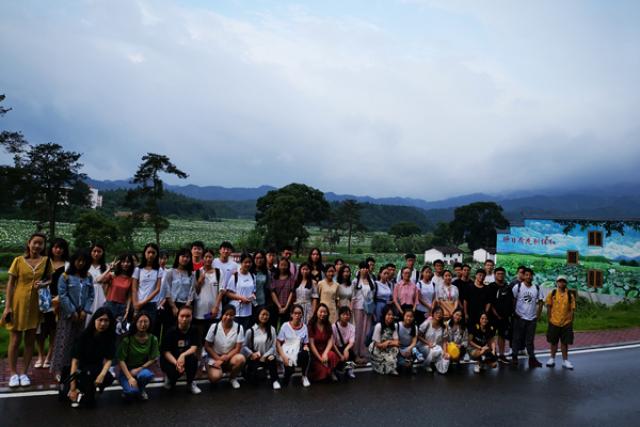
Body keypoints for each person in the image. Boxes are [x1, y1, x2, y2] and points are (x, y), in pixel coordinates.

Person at [2, 233, 51, 388]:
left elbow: (50, 279)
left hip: (36, 306)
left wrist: (44, 284)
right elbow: (11, 284)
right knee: (15, 340)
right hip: (18, 304)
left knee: (30, 340)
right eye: (35, 242)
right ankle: (13, 373)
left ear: (44, 246)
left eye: (41, 243)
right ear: (29, 243)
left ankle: (24, 373)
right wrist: (8, 307)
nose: (37, 246)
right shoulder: (18, 260)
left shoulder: (46, 261)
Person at [51, 250, 95, 379]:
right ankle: (59, 370)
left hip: (82, 315)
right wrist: (72, 311)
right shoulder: (65, 276)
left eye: (83, 261)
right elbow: (63, 296)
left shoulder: (88, 277)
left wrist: (85, 310)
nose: (80, 263)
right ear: (73, 261)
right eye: (78, 260)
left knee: (78, 342)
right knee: (63, 342)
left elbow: (91, 295)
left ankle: (74, 368)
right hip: (67, 315)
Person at [65, 307, 116, 408]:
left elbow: (109, 358)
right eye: (100, 320)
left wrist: (102, 375)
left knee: (109, 377)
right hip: (81, 370)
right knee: (89, 404)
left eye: (106, 320)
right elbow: (75, 361)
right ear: (94, 320)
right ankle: (81, 389)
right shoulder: (84, 336)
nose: (103, 324)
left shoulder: (110, 336)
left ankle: (92, 388)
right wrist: (72, 387)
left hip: (96, 368)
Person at [36, 237, 69, 370]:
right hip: (42, 300)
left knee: (54, 329)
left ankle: (49, 356)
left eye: (61, 247)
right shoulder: (44, 262)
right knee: (40, 329)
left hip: (58, 301)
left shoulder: (68, 265)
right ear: (51, 248)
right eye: (55, 247)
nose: (58, 250)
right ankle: (40, 356)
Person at [117, 311, 159, 400]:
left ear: (150, 323)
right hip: (126, 370)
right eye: (140, 321)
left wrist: (139, 369)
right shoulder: (127, 339)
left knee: (147, 375)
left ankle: (141, 389)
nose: (143, 324)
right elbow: (121, 360)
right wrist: (130, 377)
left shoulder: (153, 339)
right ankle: (130, 389)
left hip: (141, 369)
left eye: (146, 321)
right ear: (135, 323)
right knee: (131, 393)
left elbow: (153, 358)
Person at [160, 306, 201, 394]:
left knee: (193, 360)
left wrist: (183, 355)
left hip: (185, 358)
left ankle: (190, 383)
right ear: (178, 317)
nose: (184, 319)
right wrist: (177, 363)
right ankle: (170, 379)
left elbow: (194, 348)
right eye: (182, 316)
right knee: (173, 375)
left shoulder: (194, 330)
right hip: (171, 359)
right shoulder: (170, 331)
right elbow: (166, 352)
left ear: (192, 317)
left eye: (188, 316)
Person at [204, 304, 246, 389]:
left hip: (230, 357)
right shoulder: (214, 327)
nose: (228, 317)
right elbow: (207, 346)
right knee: (215, 378)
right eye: (226, 314)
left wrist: (224, 359)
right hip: (215, 357)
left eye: (231, 315)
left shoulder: (239, 328)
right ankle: (209, 367)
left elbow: (237, 348)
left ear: (234, 316)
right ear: (222, 315)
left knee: (241, 359)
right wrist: (218, 358)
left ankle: (232, 378)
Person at [159, 249, 196, 337]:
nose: (185, 259)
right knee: (169, 329)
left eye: (187, 257)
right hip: (171, 305)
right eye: (183, 256)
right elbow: (166, 289)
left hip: (185, 304)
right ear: (178, 257)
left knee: (184, 329)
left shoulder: (191, 274)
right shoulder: (170, 272)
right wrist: (173, 306)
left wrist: (187, 306)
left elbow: (192, 291)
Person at [511, 268, 544, 368]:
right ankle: (514, 357)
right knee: (516, 339)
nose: (528, 277)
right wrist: (514, 313)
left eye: (530, 275)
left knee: (530, 341)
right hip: (519, 318)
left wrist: (538, 315)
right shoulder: (518, 287)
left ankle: (532, 359)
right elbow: (512, 300)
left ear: (532, 276)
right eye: (526, 275)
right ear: (523, 276)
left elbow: (541, 302)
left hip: (532, 319)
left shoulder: (537, 288)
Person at [242, 307, 280, 389]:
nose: (265, 317)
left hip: (266, 356)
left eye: (267, 315)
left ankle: (275, 380)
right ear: (258, 315)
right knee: (257, 380)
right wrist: (251, 354)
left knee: (272, 358)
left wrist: (265, 356)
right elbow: (244, 346)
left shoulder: (272, 329)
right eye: (263, 314)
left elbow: (273, 346)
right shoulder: (251, 330)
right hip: (255, 357)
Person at [545, 276, 576, 370]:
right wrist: (549, 318)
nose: (561, 283)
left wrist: (570, 320)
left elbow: (572, 309)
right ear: (557, 283)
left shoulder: (570, 295)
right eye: (560, 281)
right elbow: (548, 306)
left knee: (565, 343)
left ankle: (565, 361)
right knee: (553, 341)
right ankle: (552, 358)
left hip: (566, 322)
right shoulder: (552, 293)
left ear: (566, 283)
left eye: (563, 281)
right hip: (554, 321)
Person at [276, 304, 311, 387]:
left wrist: (306, 347)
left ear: (302, 315)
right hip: (286, 353)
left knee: (305, 354)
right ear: (291, 314)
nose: (297, 315)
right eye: (295, 313)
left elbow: (306, 343)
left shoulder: (304, 327)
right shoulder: (285, 326)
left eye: (299, 313)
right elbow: (278, 343)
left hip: (297, 353)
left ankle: (304, 376)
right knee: (287, 377)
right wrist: (283, 356)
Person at [193, 249, 223, 343]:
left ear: (213, 258)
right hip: (200, 310)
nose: (208, 259)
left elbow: (221, 291)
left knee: (213, 337)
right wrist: (199, 282)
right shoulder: (197, 273)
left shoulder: (218, 272)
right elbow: (195, 292)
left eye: (210, 257)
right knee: (200, 336)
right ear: (202, 258)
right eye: (206, 257)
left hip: (214, 311)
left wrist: (216, 307)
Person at [97, 253, 135, 324]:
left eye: (128, 262)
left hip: (122, 307)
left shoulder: (131, 278)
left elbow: (129, 295)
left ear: (131, 264)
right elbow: (98, 280)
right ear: (119, 262)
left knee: (119, 327)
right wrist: (109, 269)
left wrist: (127, 308)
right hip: (110, 304)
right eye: (123, 261)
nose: (125, 264)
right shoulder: (113, 275)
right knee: (107, 326)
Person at [131, 243, 163, 327]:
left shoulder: (158, 270)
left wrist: (143, 302)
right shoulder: (138, 269)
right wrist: (135, 304)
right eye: (148, 252)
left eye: (153, 252)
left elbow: (157, 289)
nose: (151, 255)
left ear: (156, 254)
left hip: (151, 304)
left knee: (149, 326)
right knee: (137, 327)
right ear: (144, 253)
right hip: (138, 303)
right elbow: (134, 288)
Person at [224, 254, 256, 330]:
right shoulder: (235, 276)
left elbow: (253, 291)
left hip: (247, 311)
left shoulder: (252, 276)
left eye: (249, 262)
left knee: (244, 332)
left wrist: (252, 297)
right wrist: (241, 298)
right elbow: (228, 293)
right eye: (245, 262)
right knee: (234, 332)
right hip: (235, 311)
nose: (248, 264)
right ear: (241, 263)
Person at [308, 303, 339, 382]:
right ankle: (326, 371)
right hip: (315, 354)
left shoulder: (328, 324)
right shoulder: (311, 325)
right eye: (321, 312)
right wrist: (320, 358)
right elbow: (311, 344)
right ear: (316, 312)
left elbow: (330, 341)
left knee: (332, 355)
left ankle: (331, 372)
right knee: (322, 373)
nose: (323, 314)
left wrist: (325, 353)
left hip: (325, 351)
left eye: (325, 312)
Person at [351, 261, 375, 364]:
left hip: (368, 309)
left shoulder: (371, 281)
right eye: (363, 268)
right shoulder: (355, 281)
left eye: (366, 268)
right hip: (358, 308)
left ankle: (364, 353)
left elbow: (372, 295)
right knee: (358, 330)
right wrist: (351, 309)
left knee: (366, 330)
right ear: (359, 269)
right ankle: (355, 353)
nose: (365, 270)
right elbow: (352, 296)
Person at [489, 267, 513, 363]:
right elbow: (490, 302)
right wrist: (496, 315)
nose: (500, 275)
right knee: (491, 336)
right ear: (495, 275)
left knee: (502, 336)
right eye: (498, 274)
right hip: (493, 316)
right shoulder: (491, 286)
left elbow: (511, 301)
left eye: (502, 274)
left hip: (505, 317)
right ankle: (491, 354)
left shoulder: (508, 287)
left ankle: (501, 355)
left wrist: (509, 313)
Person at [417, 306, 449, 374]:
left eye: (441, 313)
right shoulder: (427, 323)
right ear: (433, 314)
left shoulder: (443, 326)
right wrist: (428, 343)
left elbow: (444, 341)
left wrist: (445, 352)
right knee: (433, 351)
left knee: (446, 359)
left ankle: (432, 362)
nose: (439, 315)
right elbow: (418, 336)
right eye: (437, 313)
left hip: (436, 347)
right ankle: (425, 365)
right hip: (424, 346)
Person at [369, 306, 400, 375]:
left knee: (395, 349)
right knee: (383, 371)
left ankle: (390, 366)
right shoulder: (379, 326)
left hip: (388, 348)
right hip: (378, 349)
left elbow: (397, 342)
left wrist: (388, 342)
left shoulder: (394, 326)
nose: (391, 316)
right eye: (388, 314)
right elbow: (377, 344)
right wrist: (387, 343)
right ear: (384, 315)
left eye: (392, 315)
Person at [270, 258, 295, 329]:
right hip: (275, 306)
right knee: (273, 326)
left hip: (288, 307)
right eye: (281, 265)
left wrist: (286, 307)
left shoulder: (291, 278)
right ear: (278, 265)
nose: (283, 267)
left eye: (285, 265)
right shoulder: (274, 277)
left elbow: (291, 293)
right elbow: (272, 292)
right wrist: (279, 306)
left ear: (288, 266)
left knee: (286, 327)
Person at [87, 244, 108, 326]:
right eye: (94, 251)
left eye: (99, 251)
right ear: (90, 252)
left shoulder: (106, 267)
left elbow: (107, 284)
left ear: (102, 253)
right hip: (87, 294)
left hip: (100, 296)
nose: (96, 253)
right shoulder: (86, 265)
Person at [332, 306, 356, 379]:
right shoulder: (334, 326)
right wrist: (340, 355)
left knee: (352, 353)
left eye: (348, 315)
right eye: (344, 314)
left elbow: (352, 341)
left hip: (345, 347)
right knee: (334, 355)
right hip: (336, 348)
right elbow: (332, 343)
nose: (346, 316)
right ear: (339, 316)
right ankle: (334, 371)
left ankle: (349, 370)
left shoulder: (352, 327)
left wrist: (346, 350)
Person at [396, 309, 420, 374]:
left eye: (411, 316)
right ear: (403, 316)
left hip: (409, 348)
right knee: (401, 364)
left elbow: (414, 342)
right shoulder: (397, 325)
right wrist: (401, 351)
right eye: (407, 316)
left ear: (413, 318)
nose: (409, 318)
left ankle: (410, 363)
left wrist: (409, 348)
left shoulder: (415, 327)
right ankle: (402, 363)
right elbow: (395, 341)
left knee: (415, 349)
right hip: (398, 348)